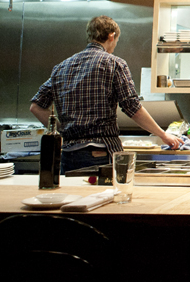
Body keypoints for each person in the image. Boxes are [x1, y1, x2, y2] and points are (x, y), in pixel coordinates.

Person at [30, 15, 181, 173]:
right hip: (100, 153)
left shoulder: (61, 67)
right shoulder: (114, 63)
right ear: (111, 36)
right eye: (116, 40)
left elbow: (36, 107)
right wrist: (163, 135)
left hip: (68, 154)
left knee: (75, 196)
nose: (115, 45)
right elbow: (133, 108)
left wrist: (62, 130)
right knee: (104, 197)